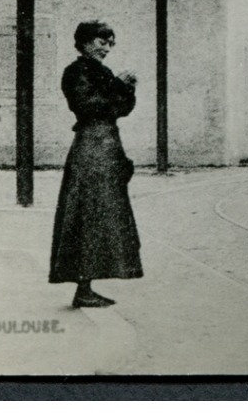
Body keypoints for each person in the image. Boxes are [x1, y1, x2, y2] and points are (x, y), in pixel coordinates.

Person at [49, 21, 143, 308]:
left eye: (110, 43)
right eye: (101, 42)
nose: (106, 48)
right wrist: (118, 86)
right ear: (84, 43)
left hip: (105, 143)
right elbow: (88, 106)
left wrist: (126, 89)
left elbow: (120, 109)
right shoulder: (76, 71)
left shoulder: (100, 72)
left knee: (101, 214)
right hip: (91, 145)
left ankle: (86, 285)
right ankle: (83, 286)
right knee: (88, 212)